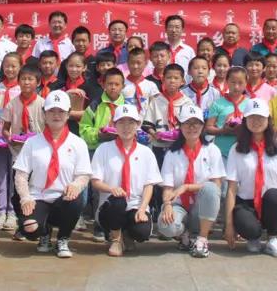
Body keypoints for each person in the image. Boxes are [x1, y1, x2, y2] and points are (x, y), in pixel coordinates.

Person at [13, 91, 92, 258]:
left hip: (63, 198)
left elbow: (84, 175)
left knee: (76, 200)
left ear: (68, 114)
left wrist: (76, 185)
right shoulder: (32, 142)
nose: (56, 115)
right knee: (30, 229)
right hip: (38, 197)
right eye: (51, 111)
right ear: (44, 114)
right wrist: (25, 198)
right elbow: (20, 174)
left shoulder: (78, 143)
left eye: (61, 111)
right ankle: (44, 233)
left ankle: (63, 238)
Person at [224, 99, 277, 257]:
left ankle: (272, 238)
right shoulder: (236, 149)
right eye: (251, 118)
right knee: (249, 227)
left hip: (271, 204)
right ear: (245, 121)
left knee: (274, 195)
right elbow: (231, 189)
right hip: (246, 203)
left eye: (260, 117)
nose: (256, 122)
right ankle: (254, 237)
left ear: (268, 120)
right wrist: (229, 225)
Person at [91, 104, 162, 257]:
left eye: (131, 122)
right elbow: (95, 181)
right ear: (114, 124)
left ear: (138, 125)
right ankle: (116, 238)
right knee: (118, 201)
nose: (126, 127)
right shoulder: (103, 149)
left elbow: (149, 184)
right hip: (110, 206)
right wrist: (111, 189)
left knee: (142, 232)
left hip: (135, 205)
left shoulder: (146, 152)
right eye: (121, 122)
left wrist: (142, 208)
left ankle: (127, 235)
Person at [158, 104, 225, 258]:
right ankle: (184, 234)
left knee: (210, 188)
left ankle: (201, 238)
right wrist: (167, 205)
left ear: (202, 126)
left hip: (202, 206)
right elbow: (167, 187)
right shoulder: (172, 153)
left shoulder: (212, 150)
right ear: (180, 126)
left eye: (196, 123)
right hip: (178, 204)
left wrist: (187, 187)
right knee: (166, 226)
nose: (192, 127)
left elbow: (217, 185)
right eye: (187, 123)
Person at [0, 51, 23, 231]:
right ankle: (1, 211)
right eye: (7, 66)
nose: (10, 69)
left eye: (14, 66)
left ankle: (13, 212)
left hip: (16, 140)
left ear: (20, 67)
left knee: (16, 177)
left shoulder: (22, 89)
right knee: (0, 177)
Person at [2, 65, 46, 159]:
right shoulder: (11, 104)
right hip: (18, 151)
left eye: (30, 79)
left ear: (38, 82)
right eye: (23, 79)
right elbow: (5, 128)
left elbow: (49, 127)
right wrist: (9, 137)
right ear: (18, 82)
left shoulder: (43, 104)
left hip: (39, 149)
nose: (26, 82)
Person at [51, 51, 101, 134]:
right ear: (66, 66)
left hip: (84, 131)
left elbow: (93, 112)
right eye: (71, 66)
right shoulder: (58, 86)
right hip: (60, 130)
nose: (74, 69)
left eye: (78, 66)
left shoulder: (93, 87)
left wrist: (66, 113)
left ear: (84, 67)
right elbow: (50, 108)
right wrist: (66, 93)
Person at [206, 66, 249, 159]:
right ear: (226, 82)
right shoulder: (217, 103)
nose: (236, 86)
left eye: (240, 83)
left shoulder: (249, 104)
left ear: (246, 83)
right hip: (222, 153)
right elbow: (208, 128)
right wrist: (223, 131)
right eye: (233, 82)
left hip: (245, 152)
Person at [79, 68, 126, 152]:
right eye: (110, 84)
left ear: (123, 86)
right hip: (97, 150)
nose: (113, 87)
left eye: (117, 84)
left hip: (121, 150)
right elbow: (83, 129)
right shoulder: (94, 105)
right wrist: (98, 135)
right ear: (103, 85)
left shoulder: (128, 106)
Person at [122, 47, 159, 114]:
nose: (135, 66)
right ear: (127, 63)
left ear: (145, 63)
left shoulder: (151, 85)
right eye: (132, 63)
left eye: (139, 63)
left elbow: (155, 109)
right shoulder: (121, 85)